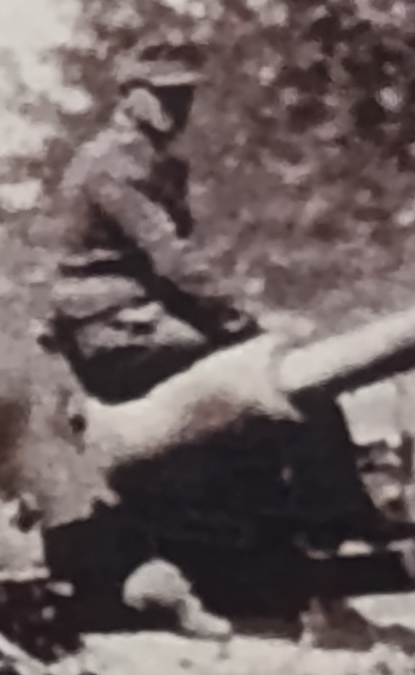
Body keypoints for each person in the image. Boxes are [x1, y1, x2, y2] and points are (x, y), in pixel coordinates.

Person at [45, 42, 260, 404]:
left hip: (143, 306)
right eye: (166, 95)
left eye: (185, 95)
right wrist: (235, 320)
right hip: (107, 318)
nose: (180, 107)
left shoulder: (159, 162)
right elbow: (170, 256)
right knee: (219, 371)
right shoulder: (113, 160)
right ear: (133, 96)